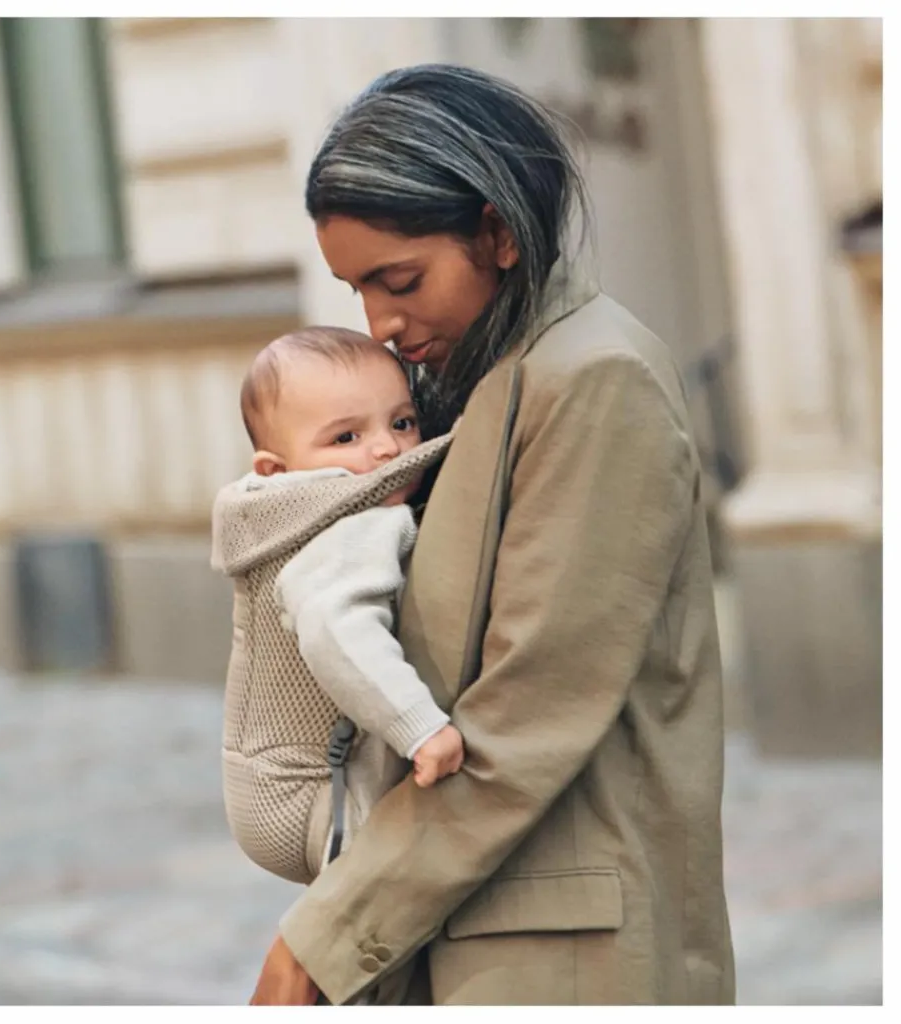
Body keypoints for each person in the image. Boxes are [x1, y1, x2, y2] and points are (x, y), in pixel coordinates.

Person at [249, 63, 735, 1006]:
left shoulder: (593, 380)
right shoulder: (476, 385)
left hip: (569, 947)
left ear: (498, 233)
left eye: (399, 281)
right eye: (356, 290)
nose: (381, 325)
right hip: (472, 916)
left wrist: (323, 940)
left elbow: (528, 715)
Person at [211, 326, 463, 889]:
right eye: (346, 436)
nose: (386, 449)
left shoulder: (273, 515)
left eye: (402, 423)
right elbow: (334, 627)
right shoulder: (352, 521)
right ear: (276, 470)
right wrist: (421, 729)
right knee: (406, 891)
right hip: (316, 792)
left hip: (265, 781)